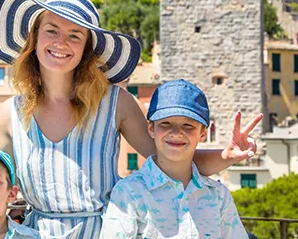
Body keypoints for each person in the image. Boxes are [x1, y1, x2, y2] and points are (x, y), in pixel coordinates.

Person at [0, 0, 262, 238]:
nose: (61, 43)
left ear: (86, 49)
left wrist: (226, 157)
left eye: (75, 36)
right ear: (34, 41)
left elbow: (172, 162)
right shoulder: (9, 115)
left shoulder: (115, 103)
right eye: (52, 31)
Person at [100, 79, 249, 239]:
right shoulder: (129, 193)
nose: (176, 132)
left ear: (203, 134)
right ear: (151, 128)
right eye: (166, 123)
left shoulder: (219, 196)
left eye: (188, 125)